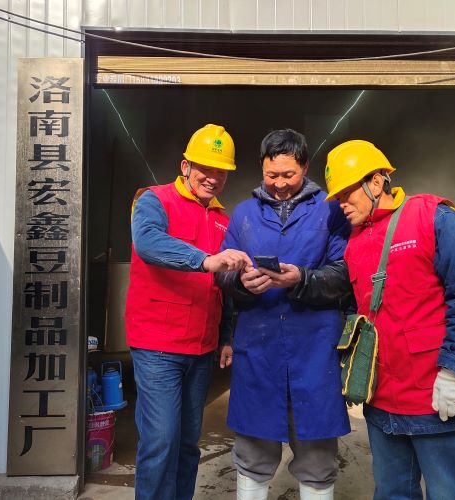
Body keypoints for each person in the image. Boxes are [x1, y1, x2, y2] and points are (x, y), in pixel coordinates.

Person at [324, 139, 455, 500]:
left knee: (449, 493)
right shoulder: (355, 242)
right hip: (384, 397)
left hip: (437, 393)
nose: (341, 203)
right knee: (392, 492)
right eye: (336, 197)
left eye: (346, 193)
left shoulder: (434, 218)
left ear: (375, 182)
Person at [217, 129, 354, 500]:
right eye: (271, 175)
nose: (279, 184)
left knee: (317, 453)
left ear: (305, 167)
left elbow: (346, 273)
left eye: (288, 175)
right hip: (258, 346)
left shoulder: (331, 209)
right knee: (252, 451)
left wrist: (302, 279)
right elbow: (222, 272)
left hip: (315, 347)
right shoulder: (244, 214)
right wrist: (241, 282)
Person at [125, 124, 251, 500]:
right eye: (204, 169)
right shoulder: (154, 200)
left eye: (220, 172)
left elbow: (222, 285)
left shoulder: (223, 218)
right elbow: (148, 242)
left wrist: (226, 336)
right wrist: (206, 260)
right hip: (157, 345)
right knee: (161, 441)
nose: (212, 178)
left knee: (186, 443)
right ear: (186, 166)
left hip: (201, 347)